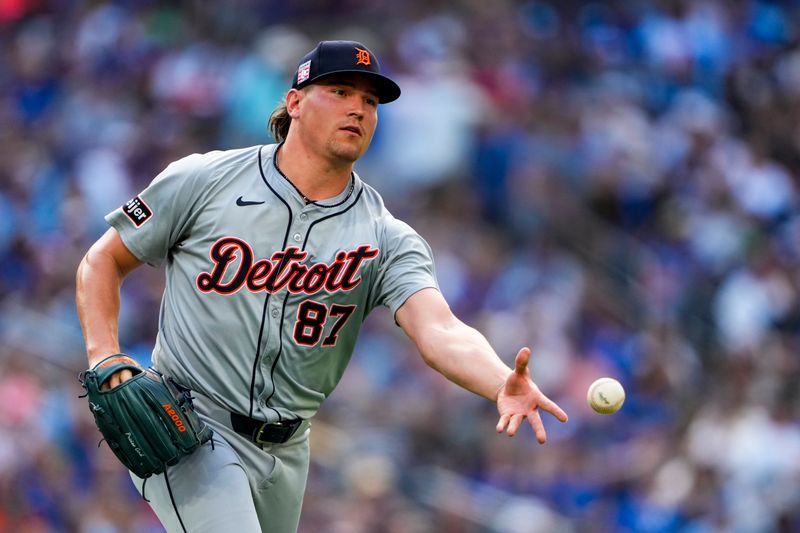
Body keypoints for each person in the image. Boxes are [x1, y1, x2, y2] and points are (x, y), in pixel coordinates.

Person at [75, 40, 568, 533]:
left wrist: (498, 378)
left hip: (289, 450)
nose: (358, 108)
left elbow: (439, 329)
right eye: (339, 90)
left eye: (371, 101)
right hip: (192, 427)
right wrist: (105, 355)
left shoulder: (385, 236)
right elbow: (103, 261)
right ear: (293, 102)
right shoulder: (205, 180)